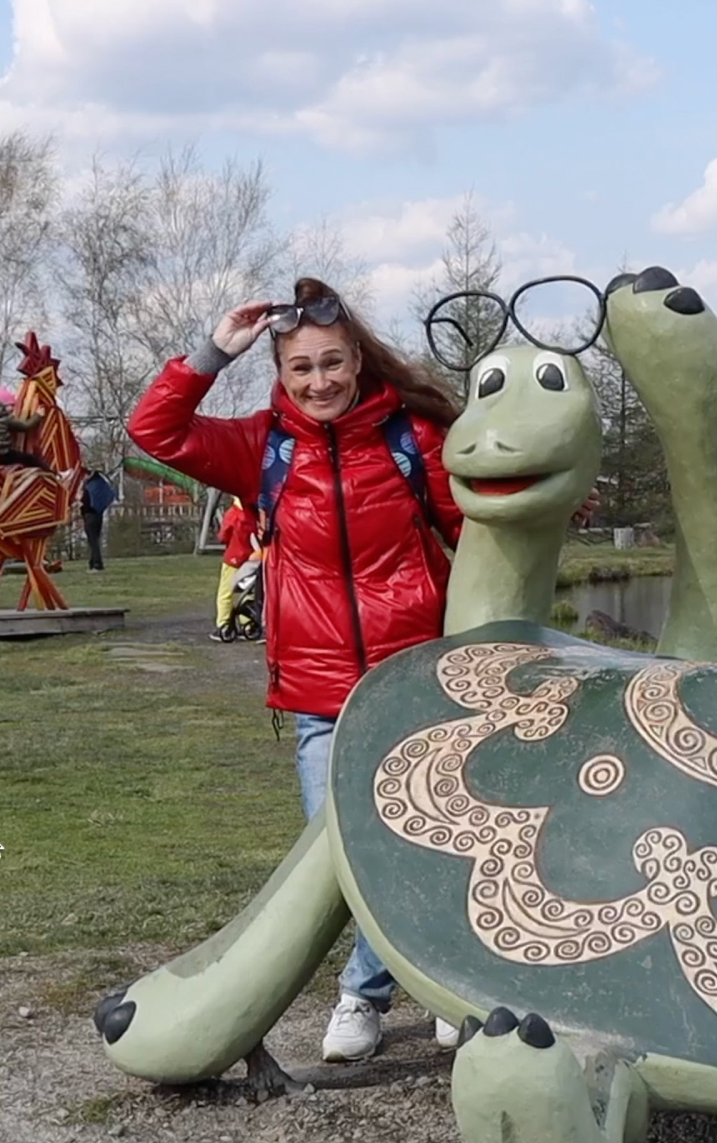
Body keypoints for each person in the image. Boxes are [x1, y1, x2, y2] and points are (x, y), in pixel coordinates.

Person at [127, 279, 466, 1063]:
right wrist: (214, 352)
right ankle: (370, 995)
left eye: (333, 362)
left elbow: (477, 530)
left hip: (417, 681)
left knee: (440, 842)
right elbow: (154, 431)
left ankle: (440, 990)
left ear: (358, 360)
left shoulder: (414, 438)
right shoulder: (262, 448)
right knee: (348, 858)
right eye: (301, 368)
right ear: (280, 373)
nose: (320, 382)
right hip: (323, 698)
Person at [212, 500, 260, 642]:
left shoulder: (232, 514)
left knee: (226, 592)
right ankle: (247, 622)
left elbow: (223, 536)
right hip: (251, 557)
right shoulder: (253, 514)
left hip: (233, 557)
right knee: (247, 591)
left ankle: (223, 623)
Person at [0, 385, 52, 472]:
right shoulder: (6, 419)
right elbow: (25, 426)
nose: (13, 409)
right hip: (4, 454)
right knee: (32, 459)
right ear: (3, 406)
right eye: (11, 405)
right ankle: (53, 474)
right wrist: (38, 415)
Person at [80, 469, 120, 570]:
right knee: (95, 539)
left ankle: (97, 563)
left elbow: (85, 501)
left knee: (93, 540)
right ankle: (92, 562)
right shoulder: (100, 484)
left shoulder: (89, 486)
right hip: (98, 514)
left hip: (90, 514)